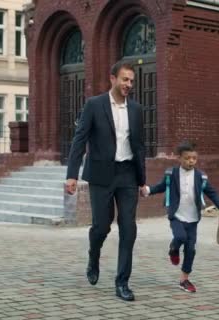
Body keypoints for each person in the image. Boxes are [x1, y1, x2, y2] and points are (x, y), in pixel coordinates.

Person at [65, 62, 146, 301]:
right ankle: (94, 255)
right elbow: (79, 140)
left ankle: (122, 282)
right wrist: (71, 174)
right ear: (112, 79)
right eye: (124, 79)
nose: (128, 85)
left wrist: (142, 179)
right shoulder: (94, 105)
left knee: (128, 227)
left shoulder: (136, 109)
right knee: (102, 225)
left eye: (131, 81)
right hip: (101, 175)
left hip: (128, 173)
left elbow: (139, 146)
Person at [143, 141, 219, 293]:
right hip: (176, 215)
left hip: (193, 218)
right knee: (180, 237)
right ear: (179, 158)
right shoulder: (172, 174)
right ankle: (173, 249)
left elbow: (212, 192)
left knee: (191, 250)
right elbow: (161, 186)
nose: (191, 161)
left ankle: (184, 280)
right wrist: (148, 190)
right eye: (187, 158)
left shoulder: (200, 177)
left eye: (194, 158)